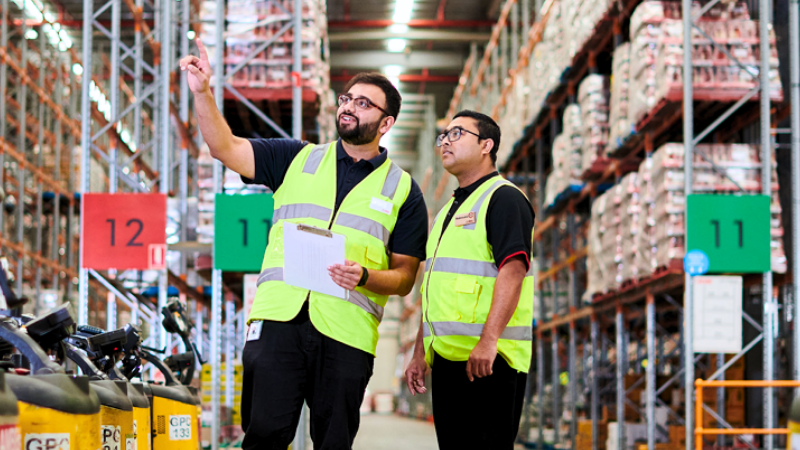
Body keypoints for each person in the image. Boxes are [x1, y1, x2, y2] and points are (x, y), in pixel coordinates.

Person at [180, 40, 428, 449]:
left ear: (386, 123)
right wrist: (203, 92)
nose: (349, 107)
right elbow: (224, 148)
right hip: (278, 322)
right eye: (347, 98)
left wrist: (364, 276)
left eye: (364, 104)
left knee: (332, 442)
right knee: (263, 435)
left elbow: (404, 278)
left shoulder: (404, 190)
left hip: (346, 334)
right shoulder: (296, 158)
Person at [404, 110, 535, 450]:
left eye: (457, 133)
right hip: (449, 360)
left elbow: (513, 270)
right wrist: (421, 352)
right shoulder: (450, 210)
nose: (446, 141)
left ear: (486, 146)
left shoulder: (504, 198)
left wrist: (488, 342)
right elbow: (436, 288)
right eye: (443, 135)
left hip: (489, 361)